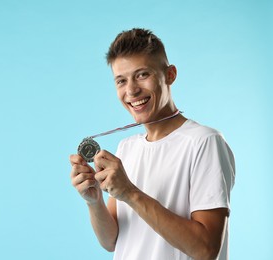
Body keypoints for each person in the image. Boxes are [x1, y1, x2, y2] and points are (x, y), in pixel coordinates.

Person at [69, 28, 235, 260]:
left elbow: (205, 250)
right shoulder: (126, 148)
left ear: (170, 75)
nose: (131, 90)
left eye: (142, 74)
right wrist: (94, 201)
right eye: (121, 80)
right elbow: (111, 241)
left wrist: (130, 193)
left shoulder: (205, 142)